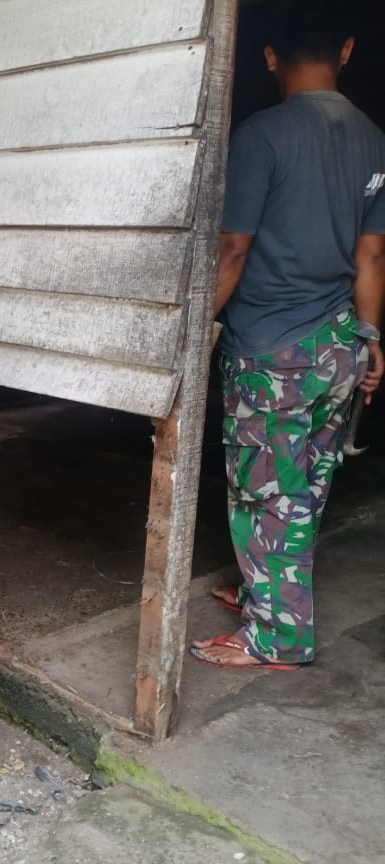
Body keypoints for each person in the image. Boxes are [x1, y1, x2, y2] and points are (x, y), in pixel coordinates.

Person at [192, 1, 385, 670]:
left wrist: (190, 338)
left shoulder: (261, 136)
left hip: (271, 350)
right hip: (338, 345)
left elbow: (233, 250)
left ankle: (276, 637)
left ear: (269, 57)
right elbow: (371, 257)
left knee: (264, 491)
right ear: (349, 49)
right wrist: (372, 334)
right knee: (305, 487)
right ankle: (268, 595)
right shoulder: (372, 140)